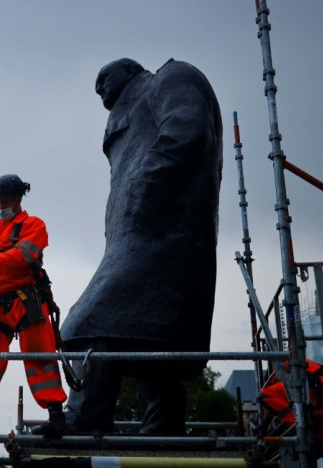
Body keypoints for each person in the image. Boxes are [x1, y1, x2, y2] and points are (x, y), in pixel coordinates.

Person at [61, 58, 223, 435]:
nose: (98, 86)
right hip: (143, 235)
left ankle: (86, 416)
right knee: (150, 335)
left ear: (132, 70)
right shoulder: (128, 114)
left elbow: (188, 130)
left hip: (163, 233)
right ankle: (162, 426)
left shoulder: (171, 77)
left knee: (88, 325)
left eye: (104, 77)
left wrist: (145, 185)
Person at [0, 174, 67, 437]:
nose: (0, 205)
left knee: (40, 355)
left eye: (4, 201)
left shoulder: (33, 224)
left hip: (26, 300)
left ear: (18, 199)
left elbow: (26, 254)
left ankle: (56, 417)